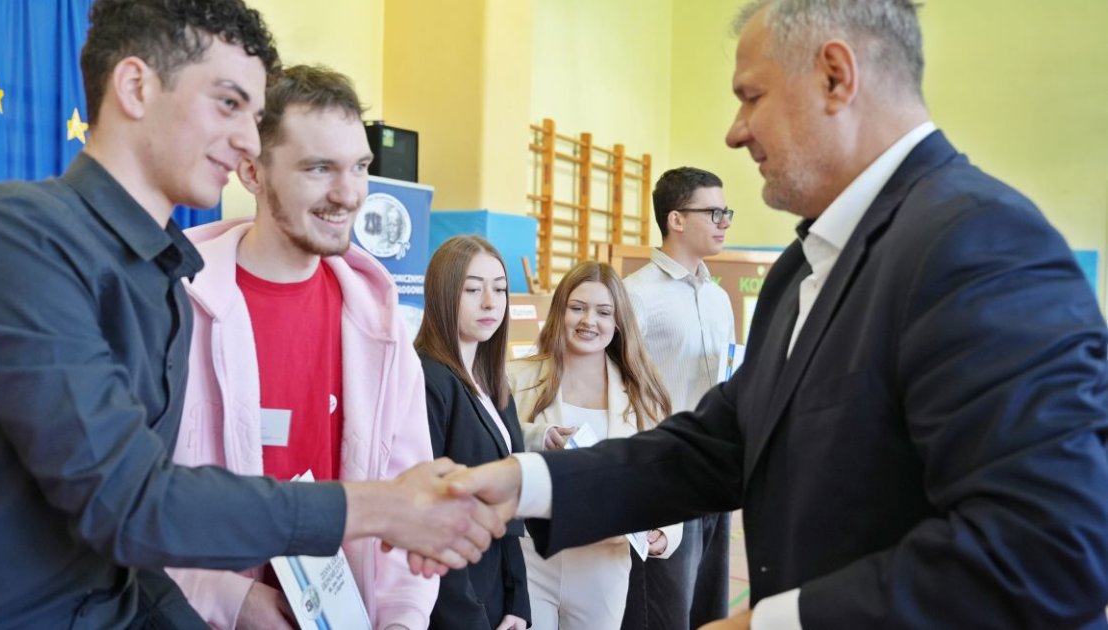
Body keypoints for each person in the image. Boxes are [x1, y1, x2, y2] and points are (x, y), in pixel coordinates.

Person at [446, 1, 1108, 628]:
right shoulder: (802, 268)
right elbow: (719, 444)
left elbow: (1049, 548)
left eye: (751, 96)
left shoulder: (983, 244)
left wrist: (775, 623)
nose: (736, 132)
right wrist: (524, 482)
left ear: (835, 76)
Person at [0, 3, 499, 627]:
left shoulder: (162, 280)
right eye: (228, 104)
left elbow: (126, 565)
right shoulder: (13, 239)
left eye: (253, 115)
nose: (246, 140)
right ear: (136, 87)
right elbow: (127, 502)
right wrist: (375, 508)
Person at [166, 65, 437, 630]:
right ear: (251, 171)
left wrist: (402, 618)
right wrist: (231, 602)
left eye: (360, 167)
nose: (349, 194)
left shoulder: (382, 326)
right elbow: (124, 506)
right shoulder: (174, 308)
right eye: (319, 168)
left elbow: (408, 501)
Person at [508, 261, 682, 630]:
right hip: (529, 558)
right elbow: (493, 448)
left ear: (618, 322)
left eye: (603, 312)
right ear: (560, 311)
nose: (589, 321)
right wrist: (539, 438)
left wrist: (665, 531)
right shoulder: (515, 378)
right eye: (578, 307)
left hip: (604, 565)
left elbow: (668, 474)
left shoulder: (643, 395)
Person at [621, 166, 736, 630]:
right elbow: (618, 393)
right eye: (714, 212)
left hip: (715, 474)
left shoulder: (717, 298)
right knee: (664, 616)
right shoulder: (634, 296)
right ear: (676, 219)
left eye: (726, 213)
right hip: (663, 478)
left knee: (711, 613)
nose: (724, 222)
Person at [416, 235, 531, 630]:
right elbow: (431, 517)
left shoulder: (492, 382)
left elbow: (510, 502)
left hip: (496, 591)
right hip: (456, 602)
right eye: (472, 289)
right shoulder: (428, 379)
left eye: (499, 289)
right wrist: (471, 618)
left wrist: (518, 600)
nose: (490, 302)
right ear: (443, 294)